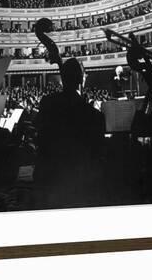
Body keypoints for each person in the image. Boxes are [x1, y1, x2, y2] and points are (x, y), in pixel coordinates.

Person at [34, 58, 105, 208]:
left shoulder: (47, 103)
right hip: (79, 185)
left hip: (47, 178)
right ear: (81, 78)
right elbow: (97, 153)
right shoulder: (93, 115)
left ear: (62, 77)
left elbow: (40, 137)